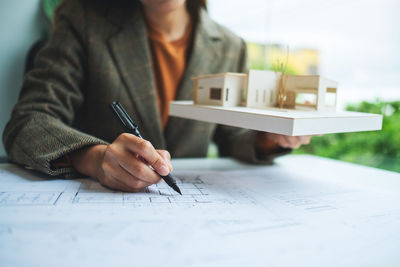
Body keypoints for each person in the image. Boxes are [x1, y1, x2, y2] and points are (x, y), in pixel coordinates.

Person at [3, 0, 311, 192]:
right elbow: (28, 122)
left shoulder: (231, 46)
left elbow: (232, 136)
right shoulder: (82, 20)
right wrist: (94, 158)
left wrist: (269, 138)